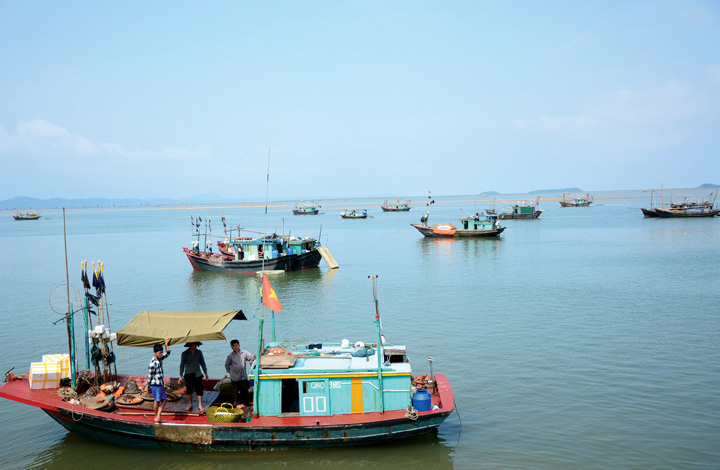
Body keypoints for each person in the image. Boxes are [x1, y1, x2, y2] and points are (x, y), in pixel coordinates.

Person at [179, 341, 209, 413]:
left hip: (198, 374)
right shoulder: (184, 353)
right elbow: (182, 365)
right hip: (188, 374)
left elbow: (202, 363)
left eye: (196, 344)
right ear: (189, 345)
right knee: (189, 390)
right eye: (193, 344)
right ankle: (190, 404)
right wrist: (180, 375)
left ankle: (200, 405)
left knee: (199, 389)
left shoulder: (199, 352)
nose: (195, 345)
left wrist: (205, 373)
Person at [224, 340, 255, 407]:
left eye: (236, 345)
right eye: (234, 346)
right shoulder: (230, 356)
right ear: (232, 347)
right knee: (236, 392)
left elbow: (251, 357)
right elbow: (227, 365)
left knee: (245, 391)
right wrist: (230, 372)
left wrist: (255, 356)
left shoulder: (244, 353)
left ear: (239, 345)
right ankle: (237, 404)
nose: (235, 347)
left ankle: (246, 403)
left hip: (243, 376)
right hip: (235, 378)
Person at [147, 338, 171, 423]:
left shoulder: (160, 359)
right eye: (159, 353)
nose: (161, 354)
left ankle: (157, 417)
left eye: (161, 352)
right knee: (157, 400)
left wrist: (166, 344)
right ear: (155, 353)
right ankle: (157, 417)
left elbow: (168, 353)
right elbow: (150, 376)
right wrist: (148, 387)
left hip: (160, 383)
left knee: (164, 400)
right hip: (155, 385)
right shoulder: (152, 363)